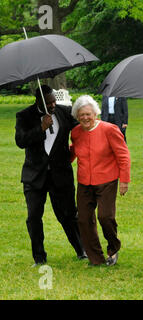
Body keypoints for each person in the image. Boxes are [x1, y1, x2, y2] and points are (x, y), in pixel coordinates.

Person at [15, 85, 86, 266]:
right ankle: (39, 258)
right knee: (34, 218)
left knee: (69, 215)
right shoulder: (24, 116)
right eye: (48, 102)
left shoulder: (65, 112)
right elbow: (20, 141)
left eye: (54, 100)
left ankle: (81, 250)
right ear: (38, 101)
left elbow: (81, 130)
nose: (53, 104)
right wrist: (40, 128)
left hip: (61, 176)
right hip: (34, 177)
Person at [70, 95, 130, 266]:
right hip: (84, 182)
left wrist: (124, 180)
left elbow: (123, 155)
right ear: (77, 116)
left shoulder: (109, 129)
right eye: (81, 115)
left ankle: (113, 248)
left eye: (88, 114)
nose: (85, 118)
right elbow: (74, 151)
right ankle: (95, 258)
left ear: (95, 114)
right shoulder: (75, 132)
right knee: (83, 219)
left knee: (105, 216)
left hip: (107, 180)